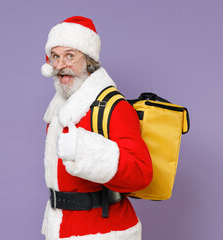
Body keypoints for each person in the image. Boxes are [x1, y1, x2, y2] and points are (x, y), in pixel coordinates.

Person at [40, 16, 153, 240]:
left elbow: (142, 173)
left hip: (104, 231)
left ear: (89, 61)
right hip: (62, 227)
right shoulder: (60, 105)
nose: (61, 65)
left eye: (70, 56)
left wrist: (83, 150)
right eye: (55, 57)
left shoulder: (113, 105)